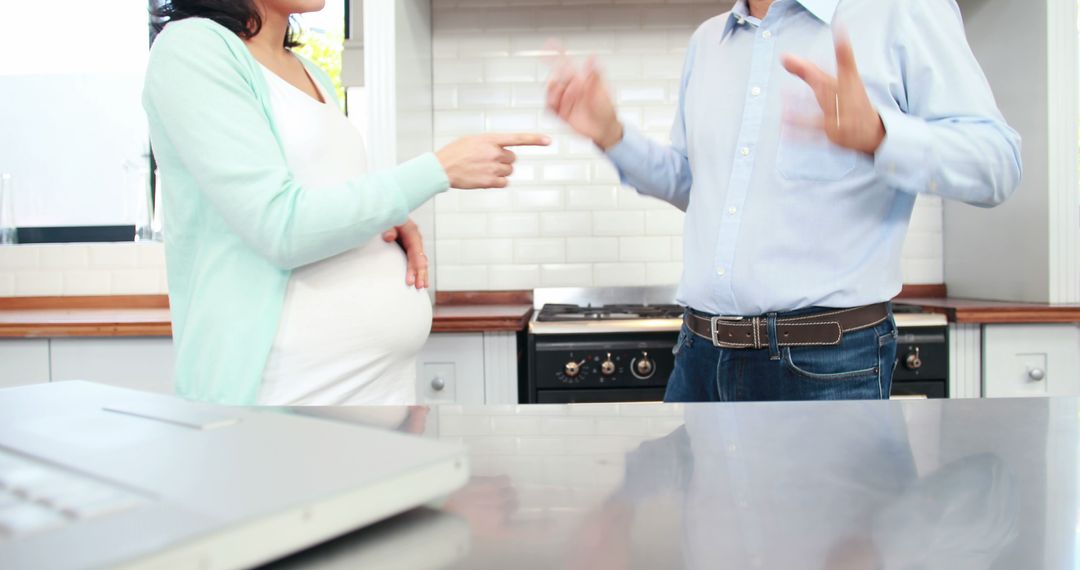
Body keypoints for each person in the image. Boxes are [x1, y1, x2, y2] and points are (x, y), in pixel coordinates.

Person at [546, 0, 1021, 402]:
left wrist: (880, 135)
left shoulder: (898, 11)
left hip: (827, 364)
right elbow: (696, 185)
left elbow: (997, 164)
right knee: (698, 518)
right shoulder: (709, 42)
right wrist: (613, 137)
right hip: (699, 357)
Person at [144, 0, 549, 405]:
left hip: (377, 393)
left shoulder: (310, 72)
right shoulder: (192, 49)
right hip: (281, 398)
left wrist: (385, 218)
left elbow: (320, 202)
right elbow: (279, 227)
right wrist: (436, 170)